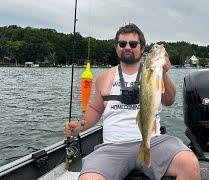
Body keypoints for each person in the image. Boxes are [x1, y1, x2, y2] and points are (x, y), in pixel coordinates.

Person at [64, 23, 201, 180]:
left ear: (141, 49)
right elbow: (95, 109)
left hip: (153, 141)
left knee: (190, 164)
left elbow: (169, 100)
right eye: (122, 43)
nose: (127, 47)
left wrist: (163, 73)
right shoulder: (104, 77)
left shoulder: (155, 72)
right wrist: (79, 126)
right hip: (113, 147)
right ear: (117, 48)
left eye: (133, 44)